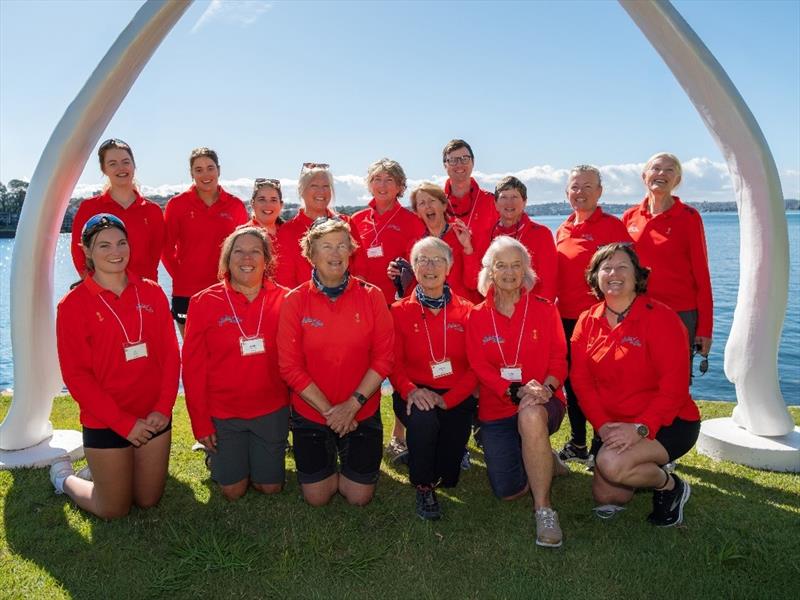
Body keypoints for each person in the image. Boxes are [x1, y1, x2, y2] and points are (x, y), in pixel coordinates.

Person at [51, 214, 180, 519]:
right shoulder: (72, 305)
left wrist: (163, 408)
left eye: (122, 243)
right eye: (104, 245)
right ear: (87, 251)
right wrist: (123, 423)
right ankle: (64, 479)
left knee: (148, 500)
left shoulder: (151, 291)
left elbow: (171, 355)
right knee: (113, 509)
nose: (116, 251)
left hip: (152, 416)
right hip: (106, 419)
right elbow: (77, 377)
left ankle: (106, 473)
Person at [570, 243, 700, 526]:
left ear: (638, 276)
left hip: (668, 423)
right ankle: (641, 464)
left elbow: (674, 389)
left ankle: (670, 486)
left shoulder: (662, 319)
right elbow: (581, 382)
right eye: (605, 267)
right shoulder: (586, 321)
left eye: (622, 267)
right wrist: (603, 425)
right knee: (608, 496)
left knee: (612, 465)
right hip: (615, 425)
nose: (613, 273)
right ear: (595, 277)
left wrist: (641, 429)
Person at [277, 218, 394, 507]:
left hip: (361, 410)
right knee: (317, 497)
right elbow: (289, 367)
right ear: (311, 254)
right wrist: (332, 413)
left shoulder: (372, 296)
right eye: (327, 246)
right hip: (313, 413)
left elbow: (384, 358)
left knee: (358, 496)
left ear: (351, 252)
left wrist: (352, 406)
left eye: (343, 245)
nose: (336, 253)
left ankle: (348, 459)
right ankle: (329, 459)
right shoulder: (295, 300)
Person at [466, 236, 568, 548]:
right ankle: (543, 457)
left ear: (525, 270)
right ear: (490, 271)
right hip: (497, 408)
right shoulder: (475, 315)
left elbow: (558, 360)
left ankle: (544, 509)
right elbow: (478, 365)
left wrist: (545, 389)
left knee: (531, 415)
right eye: (501, 265)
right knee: (506, 490)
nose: (509, 272)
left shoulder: (545, 309)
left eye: (516, 265)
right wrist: (511, 390)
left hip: (542, 401)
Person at [182, 227, 289, 501]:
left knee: (270, 487)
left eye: (255, 251)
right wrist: (201, 424)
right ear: (227, 259)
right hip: (224, 413)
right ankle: (219, 458)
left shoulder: (287, 299)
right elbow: (193, 370)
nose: (247, 258)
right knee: (233, 490)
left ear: (267, 260)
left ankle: (252, 457)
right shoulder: (203, 302)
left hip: (271, 410)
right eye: (238, 251)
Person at [389, 237, 477, 519]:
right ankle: (423, 487)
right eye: (422, 260)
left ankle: (420, 453)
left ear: (449, 266)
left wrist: (448, 399)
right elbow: (394, 363)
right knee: (424, 420)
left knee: (449, 477)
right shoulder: (399, 311)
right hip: (414, 391)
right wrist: (412, 391)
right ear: (413, 268)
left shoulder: (468, 311)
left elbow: (476, 367)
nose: (430, 266)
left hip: (456, 394)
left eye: (437, 259)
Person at [555, 165, 631, 466]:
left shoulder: (613, 227)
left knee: (604, 383)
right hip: (568, 320)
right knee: (574, 383)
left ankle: (604, 441)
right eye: (575, 187)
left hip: (605, 319)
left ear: (599, 192)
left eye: (588, 186)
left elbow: (630, 274)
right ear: (566, 193)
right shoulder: (561, 230)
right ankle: (577, 442)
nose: (580, 192)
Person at [622, 152, 713, 365]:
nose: (661, 173)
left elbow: (702, 275)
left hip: (679, 313)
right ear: (645, 176)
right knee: (637, 377)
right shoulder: (629, 217)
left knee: (676, 380)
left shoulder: (689, 218)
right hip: (638, 311)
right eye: (655, 168)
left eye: (669, 170)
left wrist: (705, 328)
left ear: (677, 180)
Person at [162, 147, 248, 336]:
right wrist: (181, 275)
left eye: (210, 168)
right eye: (198, 169)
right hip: (187, 293)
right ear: (191, 173)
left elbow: (245, 249)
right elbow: (165, 248)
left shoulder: (235, 206)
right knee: (192, 353)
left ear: (219, 170)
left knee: (226, 351)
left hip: (227, 290)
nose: (205, 174)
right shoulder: (177, 205)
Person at [70, 138, 164, 281]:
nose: (121, 168)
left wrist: (147, 292)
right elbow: (79, 252)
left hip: (142, 297)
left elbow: (154, 259)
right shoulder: (89, 208)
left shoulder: (152, 211)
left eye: (126, 162)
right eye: (112, 164)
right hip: (102, 296)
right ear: (104, 169)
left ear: (134, 165)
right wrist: (92, 287)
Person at [274, 163, 367, 289]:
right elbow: (285, 281)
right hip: (304, 304)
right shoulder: (287, 231)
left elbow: (361, 268)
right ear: (301, 191)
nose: (321, 191)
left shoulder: (346, 223)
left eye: (326, 186)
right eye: (314, 186)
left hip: (347, 302)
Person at [469, 176, 557, 301]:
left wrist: (539, 312)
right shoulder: (486, 235)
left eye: (515, 197)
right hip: (495, 309)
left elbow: (548, 282)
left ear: (524, 202)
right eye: (504, 197)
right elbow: (476, 280)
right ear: (496, 203)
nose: (509, 203)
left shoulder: (541, 234)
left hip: (530, 310)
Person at [407, 182, 481, 303]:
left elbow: (473, 283)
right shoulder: (416, 245)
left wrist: (467, 248)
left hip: (461, 311)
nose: (428, 206)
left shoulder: (462, 234)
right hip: (431, 313)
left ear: (444, 205)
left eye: (432, 200)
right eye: (422, 203)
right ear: (417, 212)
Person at [441, 139, 498, 245]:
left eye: (464, 159)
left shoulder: (492, 203)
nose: (459, 164)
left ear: (473, 162)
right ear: (445, 165)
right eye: (453, 160)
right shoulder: (436, 204)